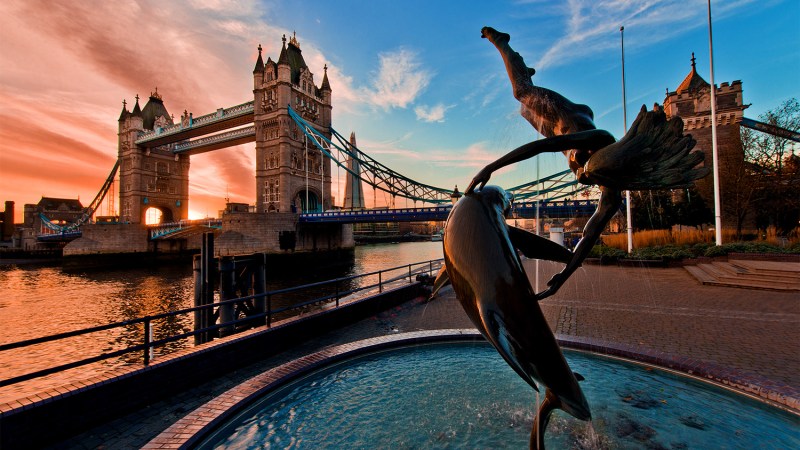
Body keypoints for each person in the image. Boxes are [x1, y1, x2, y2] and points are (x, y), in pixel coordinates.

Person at [469, 27, 706, 300]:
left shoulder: (612, 188)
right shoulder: (600, 137)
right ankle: (502, 41)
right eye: (584, 164)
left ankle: (522, 67)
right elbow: (542, 147)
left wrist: (564, 275)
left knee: (524, 110)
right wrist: (491, 167)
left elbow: (589, 235)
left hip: (554, 131)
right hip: (566, 118)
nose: (581, 175)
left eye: (588, 178)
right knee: (522, 92)